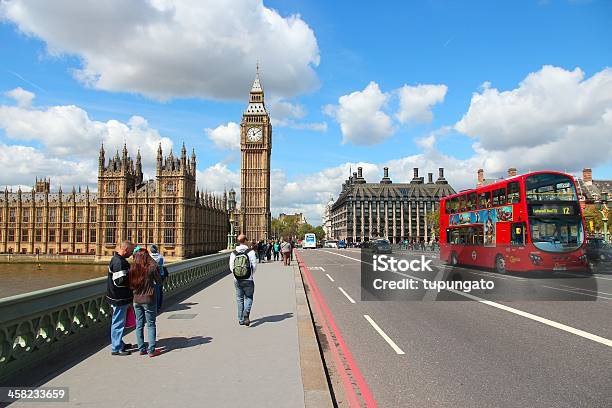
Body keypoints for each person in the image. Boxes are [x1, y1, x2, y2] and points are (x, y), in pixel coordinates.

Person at [129, 246, 162, 357]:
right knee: (151, 325)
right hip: (148, 299)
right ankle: (151, 350)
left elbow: (130, 286)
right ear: (146, 257)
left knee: (139, 325)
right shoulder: (151, 268)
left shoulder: (132, 269)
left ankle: (141, 348)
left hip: (136, 300)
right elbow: (159, 281)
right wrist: (150, 258)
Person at [106, 240, 135, 356]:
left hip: (118, 296)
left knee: (120, 322)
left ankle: (119, 343)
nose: (132, 253)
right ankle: (116, 348)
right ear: (126, 249)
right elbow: (119, 281)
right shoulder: (119, 263)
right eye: (131, 251)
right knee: (118, 322)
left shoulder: (118, 260)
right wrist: (132, 280)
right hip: (118, 297)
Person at [229, 234, 257, 326]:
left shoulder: (233, 253)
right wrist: (250, 274)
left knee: (239, 299)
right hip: (248, 279)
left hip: (237, 279)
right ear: (245, 241)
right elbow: (254, 266)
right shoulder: (251, 252)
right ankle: (246, 313)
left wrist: (236, 275)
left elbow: (231, 267)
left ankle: (241, 320)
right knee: (249, 297)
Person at [150, 244, 167, 313]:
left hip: (151, 277)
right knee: (159, 291)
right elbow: (162, 265)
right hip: (160, 276)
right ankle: (159, 306)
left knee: (152, 292)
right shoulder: (161, 257)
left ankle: (153, 307)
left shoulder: (149, 257)